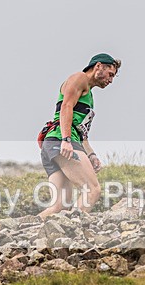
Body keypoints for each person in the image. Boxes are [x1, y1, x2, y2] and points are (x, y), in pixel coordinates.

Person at [37, 53, 120, 219]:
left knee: (60, 206)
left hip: (54, 143)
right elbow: (66, 106)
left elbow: (82, 132)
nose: (111, 80)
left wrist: (91, 155)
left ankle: (22, 229)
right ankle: (72, 227)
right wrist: (66, 140)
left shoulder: (89, 96)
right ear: (98, 66)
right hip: (61, 140)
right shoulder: (79, 78)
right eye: (110, 74)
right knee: (92, 189)